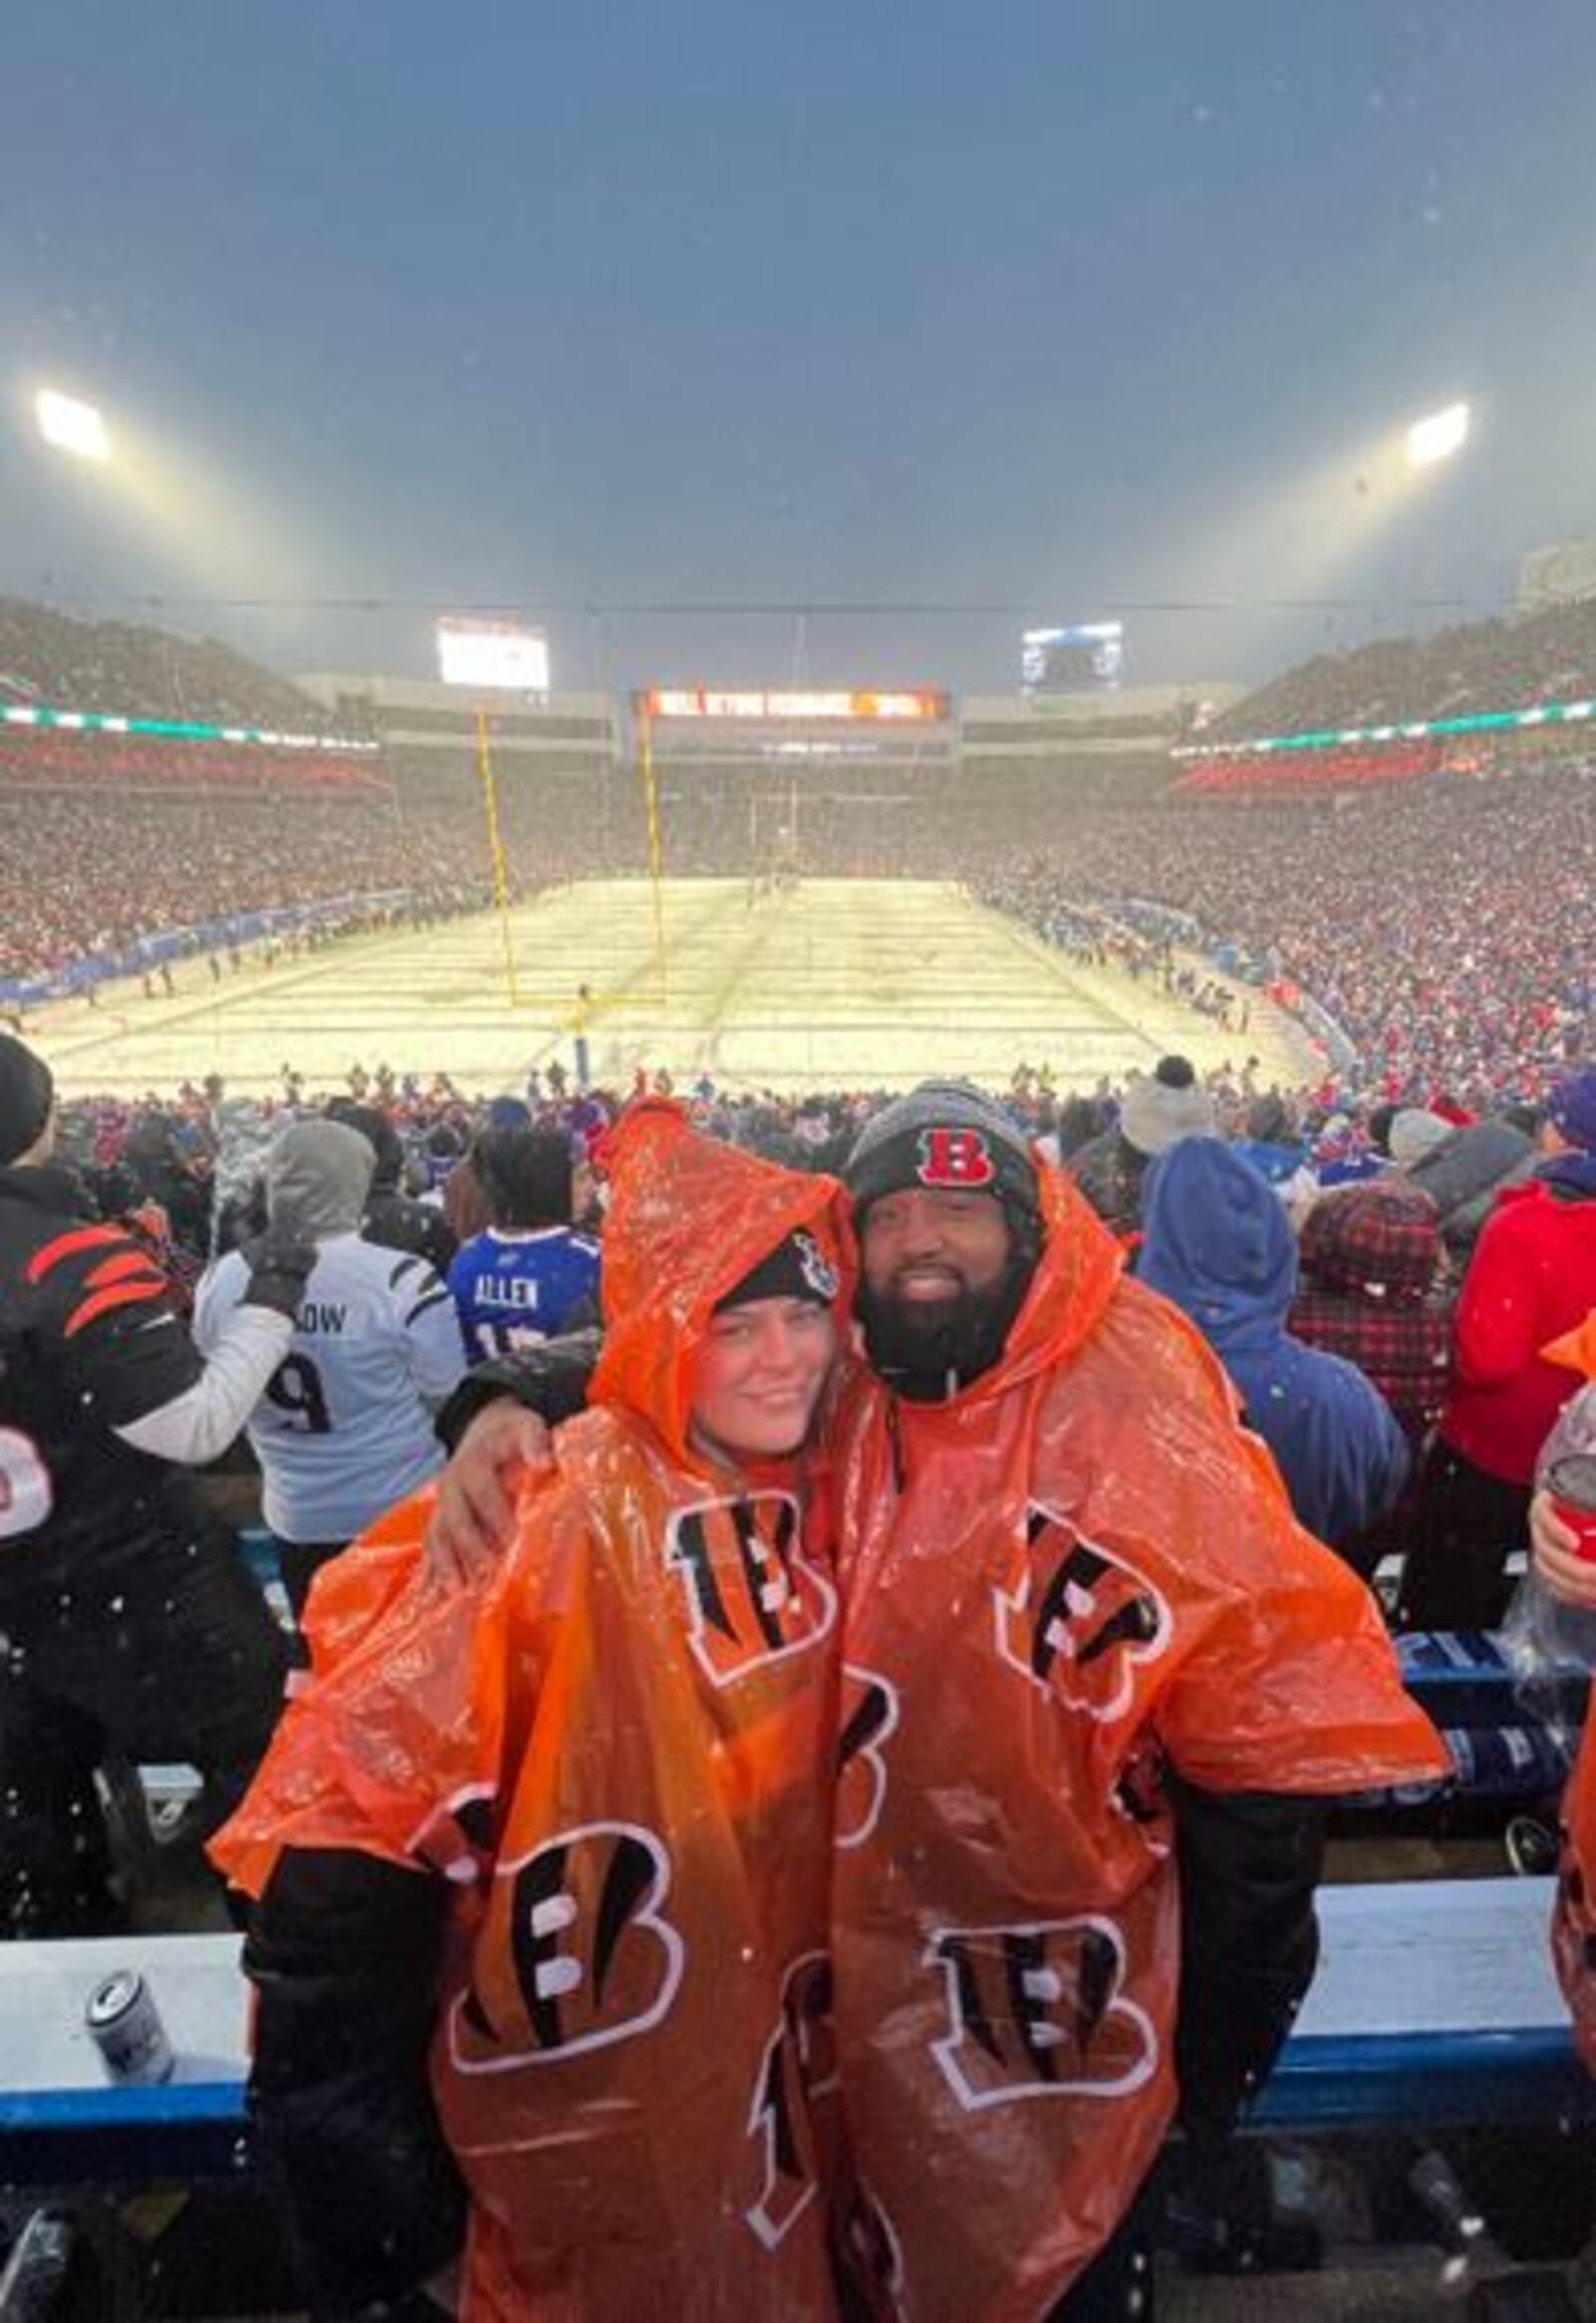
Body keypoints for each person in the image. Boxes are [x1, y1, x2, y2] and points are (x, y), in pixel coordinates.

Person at [430, 1082, 1446, 2316]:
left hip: (1063, 2025)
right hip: (847, 2001)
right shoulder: (851, 1363)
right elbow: (681, 1328)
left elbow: (1258, 1787)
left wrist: (1209, 2072)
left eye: (960, 1208)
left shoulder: (1135, 1393)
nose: (923, 1240)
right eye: (893, 1210)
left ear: (1026, 1226)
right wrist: (508, 1393)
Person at [211, 1106, 853, 2320]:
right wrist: (394, 2229)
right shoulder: (542, 1513)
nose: (781, 1355)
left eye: (803, 1317)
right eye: (736, 1325)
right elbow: (341, 1885)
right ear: (674, 1334)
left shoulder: (834, 1469)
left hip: (758, 2072)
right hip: (574, 2080)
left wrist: (524, 1378)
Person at [0, 1032, 307, 1934]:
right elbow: (193, 1426)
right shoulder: (67, 1259)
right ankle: (278, 1946)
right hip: (139, 1588)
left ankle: (68, 1950)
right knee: (264, 1767)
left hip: (17, 1607)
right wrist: (275, 1292)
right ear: (43, 1120)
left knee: (43, 1820)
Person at [195, 1119, 466, 1626]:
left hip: (297, 1510)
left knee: (326, 1666)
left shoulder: (222, 1279)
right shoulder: (401, 1280)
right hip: (399, 1508)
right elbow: (447, 1398)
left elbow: (219, 1382)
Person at [1137, 1135, 1410, 1554]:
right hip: (1306, 1606)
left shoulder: (1098, 1387)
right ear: (1276, 1245)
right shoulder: (1343, 1393)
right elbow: (1379, 1494)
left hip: (1159, 1614)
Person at [1401, 1063, 1596, 1630]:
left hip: (1493, 1463)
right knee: (1550, 1629)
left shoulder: (1523, 1226)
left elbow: (1487, 1362)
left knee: (1449, 1617)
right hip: (1579, 1483)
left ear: (1561, 1135)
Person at [446, 1125, 600, 1361]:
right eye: (580, 1177)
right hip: (566, 1395)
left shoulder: (466, 1257)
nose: (593, 1187)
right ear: (546, 1186)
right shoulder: (594, 1260)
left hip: (489, 1393)